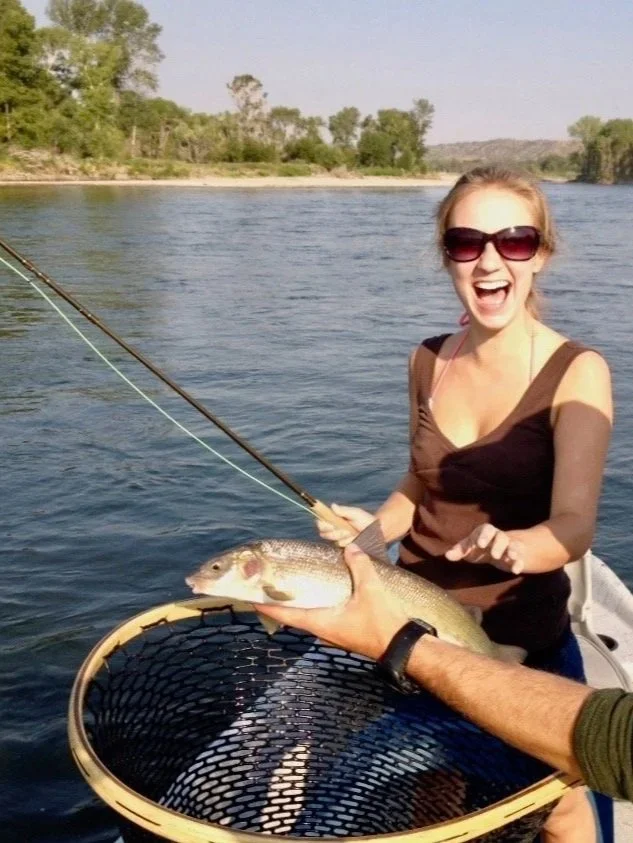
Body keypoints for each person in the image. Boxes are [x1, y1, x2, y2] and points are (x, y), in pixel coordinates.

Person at [308, 166, 614, 842]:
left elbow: (574, 525)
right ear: (445, 255)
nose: (488, 261)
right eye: (465, 243)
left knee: (554, 803)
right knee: (431, 792)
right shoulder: (428, 359)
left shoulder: (577, 371)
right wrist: (373, 530)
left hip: (517, 643)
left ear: (541, 254)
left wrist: (519, 545)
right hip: (411, 623)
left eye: (513, 241)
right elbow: (420, 483)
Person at [255, 544, 633, 802]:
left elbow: (613, 742)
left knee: (556, 798)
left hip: (515, 635)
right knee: (438, 772)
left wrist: (399, 643)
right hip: (430, 616)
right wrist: (378, 528)